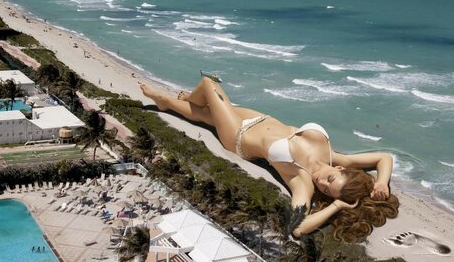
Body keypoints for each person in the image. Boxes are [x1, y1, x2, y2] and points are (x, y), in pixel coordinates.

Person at [140, 77, 399, 242]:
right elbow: (383, 158)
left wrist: (336, 206)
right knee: (205, 115)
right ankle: (167, 103)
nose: (321, 180)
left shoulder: (302, 183)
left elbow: (297, 228)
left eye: (325, 188)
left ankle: (180, 100)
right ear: (340, 168)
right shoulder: (334, 156)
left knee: (209, 84)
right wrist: (381, 184)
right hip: (259, 118)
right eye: (330, 178)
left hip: (239, 137)